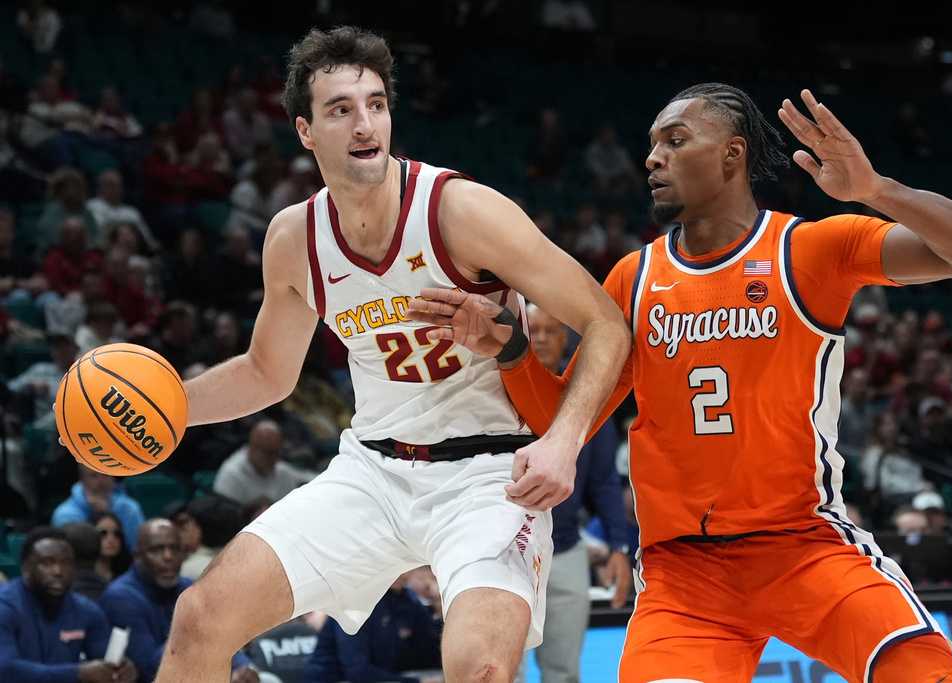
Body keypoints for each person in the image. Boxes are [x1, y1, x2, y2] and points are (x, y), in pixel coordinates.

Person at [410, 84, 952, 682]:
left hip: (802, 545)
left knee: (923, 669)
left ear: (732, 155)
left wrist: (877, 191)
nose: (652, 157)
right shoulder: (632, 278)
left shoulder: (809, 249)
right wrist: (512, 349)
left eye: (675, 140)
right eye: (651, 145)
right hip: (684, 575)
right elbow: (565, 424)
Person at [152, 25, 629, 683]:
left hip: (487, 477)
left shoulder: (461, 211)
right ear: (305, 131)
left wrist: (564, 441)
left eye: (375, 103)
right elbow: (267, 372)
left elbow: (606, 323)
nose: (364, 122)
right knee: (200, 617)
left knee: (482, 667)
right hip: (372, 471)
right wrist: (165, 409)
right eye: (340, 109)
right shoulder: (295, 238)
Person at [514, 303, 632, 683]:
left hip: (564, 549)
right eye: (536, 330)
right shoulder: (491, 385)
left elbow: (604, 481)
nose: (544, 338)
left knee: (564, 674)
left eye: (552, 330)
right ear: (523, 335)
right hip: (501, 547)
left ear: (566, 339)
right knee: (496, 671)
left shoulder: (587, 390)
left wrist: (618, 545)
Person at [100, 519, 262, 683]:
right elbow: (148, 669)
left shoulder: (191, 587)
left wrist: (244, 667)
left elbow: (221, 639)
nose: (168, 557)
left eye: (175, 549)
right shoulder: (121, 597)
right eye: (157, 550)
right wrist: (192, 628)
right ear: (138, 557)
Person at [0, 526, 139, 683]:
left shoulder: (85, 609)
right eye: (47, 563)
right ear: (25, 568)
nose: (58, 571)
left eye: (66, 563)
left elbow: (105, 661)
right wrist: (78, 673)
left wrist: (122, 669)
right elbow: (6, 671)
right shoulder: (5, 607)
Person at [302, 572, 443, 683]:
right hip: (334, 679)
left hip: (380, 675)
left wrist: (438, 605)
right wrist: (414, 681)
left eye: (409, 563)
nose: (402, 572)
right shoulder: (356, 600)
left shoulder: (409, 600)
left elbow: (432, 654)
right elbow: (356, 671)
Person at [212, 419, 314, 505]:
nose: (274, 458)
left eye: (277, 453)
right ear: (253, 448)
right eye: (269, 453)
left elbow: (307, 477)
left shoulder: (280, 469)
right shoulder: (232, 475)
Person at [52, 466, 146, 552]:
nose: (101, 482)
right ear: (83, 480)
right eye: (93, 476)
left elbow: (137, 550)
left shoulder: (129, 509)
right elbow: (73, 555)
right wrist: (101, 514)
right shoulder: (65, 514)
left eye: (105, 474)